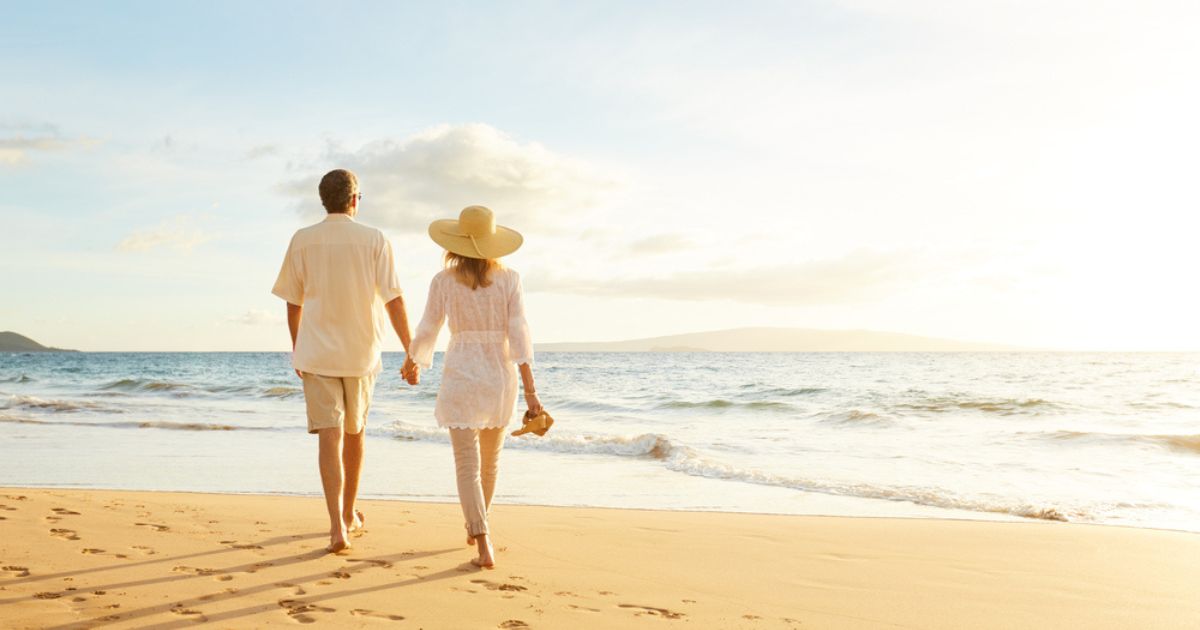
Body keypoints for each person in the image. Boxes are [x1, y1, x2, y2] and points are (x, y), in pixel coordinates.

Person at [271, 168, 419, 553]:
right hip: (361, 353)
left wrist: (297, 347)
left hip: (317, 352)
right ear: (355, 200)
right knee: (354, 433)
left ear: (324, 201)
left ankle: (337, 525)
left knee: (329, 436)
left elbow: (293, 303)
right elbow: (393, 299)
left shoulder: (302, 240)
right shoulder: (375, 239)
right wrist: (410, 350)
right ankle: (350, 513)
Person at [405, 205, 542, 569]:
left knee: (466, 464)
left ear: (455, 243)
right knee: (490, 463)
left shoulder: (443, 281)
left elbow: (429, 327)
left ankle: (481, 539)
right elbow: (519, 333)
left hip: (462, 371)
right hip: (499, 373)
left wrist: (414, 360)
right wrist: (531, 390)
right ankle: (479, 525)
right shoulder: (510, 278)